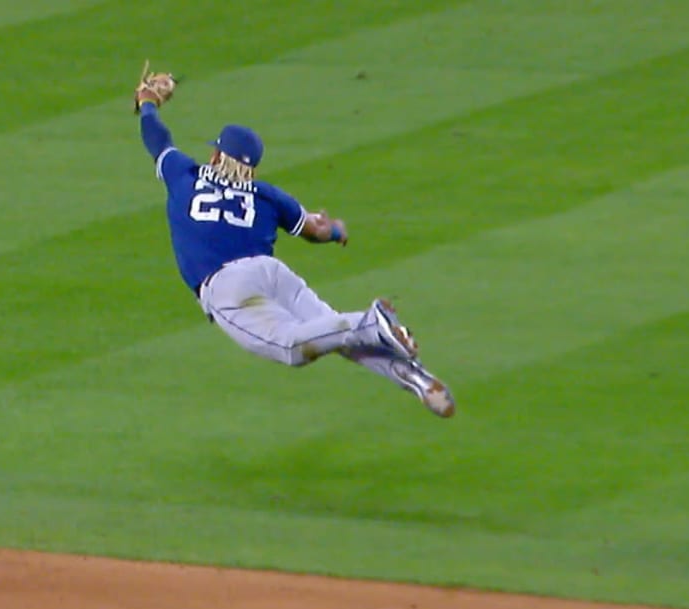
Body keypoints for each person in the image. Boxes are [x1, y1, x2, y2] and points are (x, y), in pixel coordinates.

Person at [134, 68, 455, 418]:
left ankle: (371, 323)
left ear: (215, 156)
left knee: (291, 347)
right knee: (334, 333)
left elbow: (157, 139)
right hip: (271, 272)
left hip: (228, 287)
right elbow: (315, 230)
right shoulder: (267, 195)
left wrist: (148, 101)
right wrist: (336, 230)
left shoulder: (185, 174)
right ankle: (412, 375)